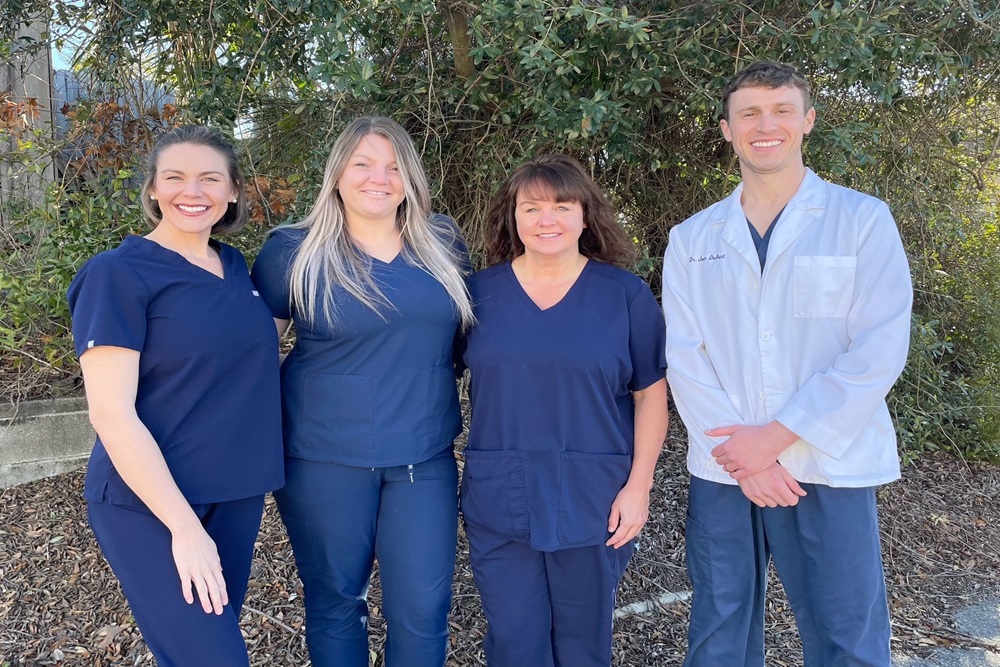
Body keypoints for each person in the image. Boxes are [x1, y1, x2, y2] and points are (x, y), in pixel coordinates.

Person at [662, 61, 913, 666]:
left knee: (846, 631)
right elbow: (684, 357)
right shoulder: (692, 238)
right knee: (720, 628)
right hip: (727, 470)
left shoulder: (861, 220)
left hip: (828, 461)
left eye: (780, 111)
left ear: (808, 122)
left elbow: (878, 348)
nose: (764, 125)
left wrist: (775, 438)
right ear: (726, 128)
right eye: (749, 113)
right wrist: (745, 457)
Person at [250, 116, 474, 667]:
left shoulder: (441, 242)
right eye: (363, 163)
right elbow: (250, 360)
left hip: (424, 459)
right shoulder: (292, 251)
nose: (380, 178)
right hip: (323, 460)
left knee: (423, 611)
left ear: (411, 178)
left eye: (395, 166)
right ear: (337, 173)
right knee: (334, 602)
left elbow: (469, 344)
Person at [66, 125, 283, 666]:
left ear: (232, 191)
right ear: (154, 191)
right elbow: (110, 414)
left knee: (197, 651)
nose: (194, 191)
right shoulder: (117, 275)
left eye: (210, 178)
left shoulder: (237, 269)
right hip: (151, 504)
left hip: (235, 493)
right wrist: (183, 528)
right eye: (175, 177)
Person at [459, 154, 669, 667]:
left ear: (585, 215)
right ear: (512, 217)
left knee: (582, 643)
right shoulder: (475, 296)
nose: (546, 220)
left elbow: (651, 396)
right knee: (514, 641)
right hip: (499, 495)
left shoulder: (624, 295)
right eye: (530, 208)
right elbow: (432, 379)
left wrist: (639, 487)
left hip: (594, 499)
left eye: (561, 206)